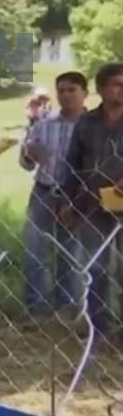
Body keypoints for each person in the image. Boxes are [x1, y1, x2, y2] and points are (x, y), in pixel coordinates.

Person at [60, 63, 123, 342]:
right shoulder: (87, 123)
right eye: (116, 84)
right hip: (92, 204)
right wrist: (68, 201)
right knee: (96, 267)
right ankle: (98, 327)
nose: (121, 89)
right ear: (100, 88)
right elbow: (72, 164)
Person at [20, 72, 87, 321]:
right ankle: (35, 309)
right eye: (62, 90)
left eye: (72, 90)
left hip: (77, 196)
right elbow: (25, 162)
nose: (66, 95)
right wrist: (29, 156)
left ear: (84, 93)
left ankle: (66, 309)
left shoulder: (91, 126)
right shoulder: (43, 124)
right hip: (44, 192)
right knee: (34, 251)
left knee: (70, 254)